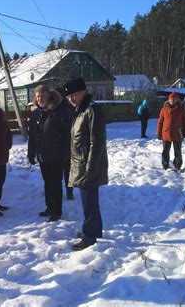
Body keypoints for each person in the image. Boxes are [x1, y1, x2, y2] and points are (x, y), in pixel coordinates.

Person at [63, 77, 108, 251]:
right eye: (68, 97)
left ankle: (90, 236)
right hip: (81, 164)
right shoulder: (80, 110)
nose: (70, 99)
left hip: (89, 165)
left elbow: (96, 142)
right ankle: (92, 230)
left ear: (82, 92)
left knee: (90, 202)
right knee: (88, 201)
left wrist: (90, 168)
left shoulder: (92, 110)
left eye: (73, 95)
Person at [28, 85, 73, 222]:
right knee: (47, 182)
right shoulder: (36, 113)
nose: (41, 98)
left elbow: (67, 134)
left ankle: (57, 211)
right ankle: (49, 207)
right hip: (43, 155)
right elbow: (33, 136)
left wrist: (66, 153)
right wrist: (31, 153)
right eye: (38, 96)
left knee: (56, 182)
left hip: (57, 154)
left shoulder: (58, 111)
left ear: (49, 96)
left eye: (43, 95)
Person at [157, 92, 185, 171]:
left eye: (174, 100)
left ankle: (177, 166)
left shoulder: (181, 109)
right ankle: (165, 165)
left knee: (178, 151)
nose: (172, 101)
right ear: (168, 99)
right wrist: (158, 133)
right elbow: (160, 122)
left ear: (177, 100)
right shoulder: (164, 109)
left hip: (178, 133)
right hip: (166, 133)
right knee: (165, 151)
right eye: (171, 99)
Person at [55, 87, 76, 200]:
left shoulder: (66, 108)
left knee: (66, 170)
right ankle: (68, 191)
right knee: (66, 170)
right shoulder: (66, 108)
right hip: (64, 143)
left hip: (66, 143)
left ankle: (69, 191)